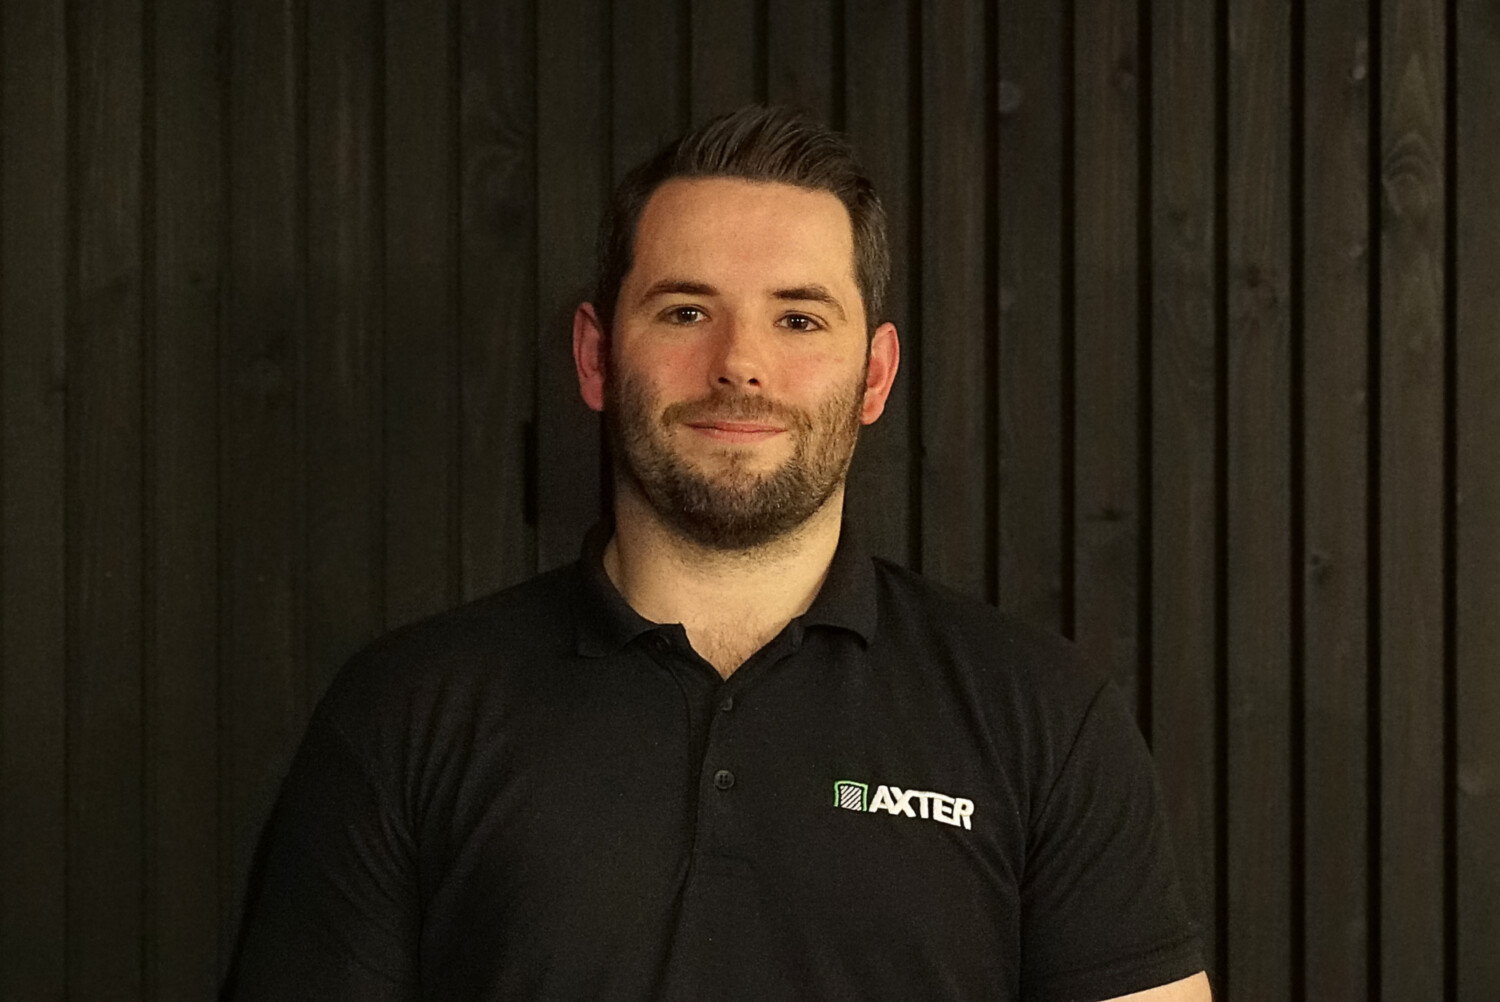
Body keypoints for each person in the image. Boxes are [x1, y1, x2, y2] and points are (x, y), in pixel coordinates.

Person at [225, 104, 1211, 1001]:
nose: (740, 361)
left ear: (874, 377)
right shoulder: (409, 712)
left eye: (799, 318)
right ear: (597, 357)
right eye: (686, 310)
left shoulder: (1040, 720)